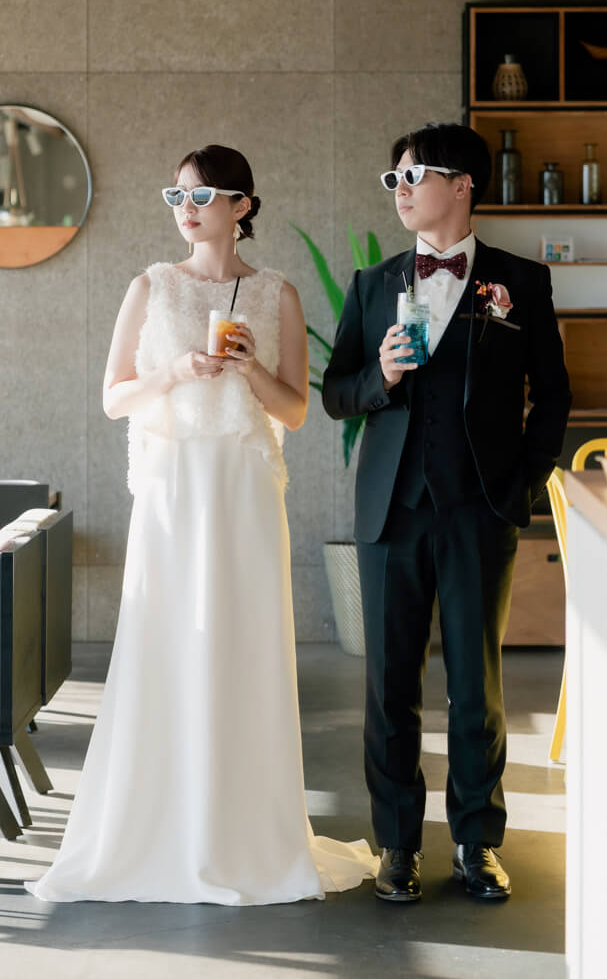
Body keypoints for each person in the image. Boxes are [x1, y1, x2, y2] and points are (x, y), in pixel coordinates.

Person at [28, 144, 377, 905]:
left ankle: (241, 835)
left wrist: (249, 369)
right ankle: (158, 829)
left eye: (202, 195)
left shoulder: (277, 293)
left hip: (245, 485)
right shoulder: (150, 286)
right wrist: (175, 373)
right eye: (176, 196)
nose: (185, 208)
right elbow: (113, 398)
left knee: (243, 646)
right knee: (165, 642)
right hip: (172, 486)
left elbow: (295, 410)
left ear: (241, 206)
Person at [322, 122, 571, 905]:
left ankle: (477, 842)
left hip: (479, 509)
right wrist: (381, 377)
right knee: (389, 688)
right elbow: (336, 393)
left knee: (478, 686)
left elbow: (553, 396)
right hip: (391, 511)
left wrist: (520, 488)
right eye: (392, 178)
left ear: (462, 184)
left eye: (414, 175)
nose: (399, 190)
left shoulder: (520, 283)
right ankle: (397, 845)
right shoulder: (372, 284)